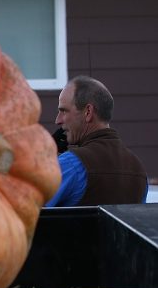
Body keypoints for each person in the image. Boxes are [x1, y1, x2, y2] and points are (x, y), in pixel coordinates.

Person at [46, 76, 148, 207]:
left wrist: (46, 163)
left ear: (88, 112)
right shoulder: (138, 170)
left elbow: (22, 212)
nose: (58, 120)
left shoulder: (71, 164)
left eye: (64, 111)